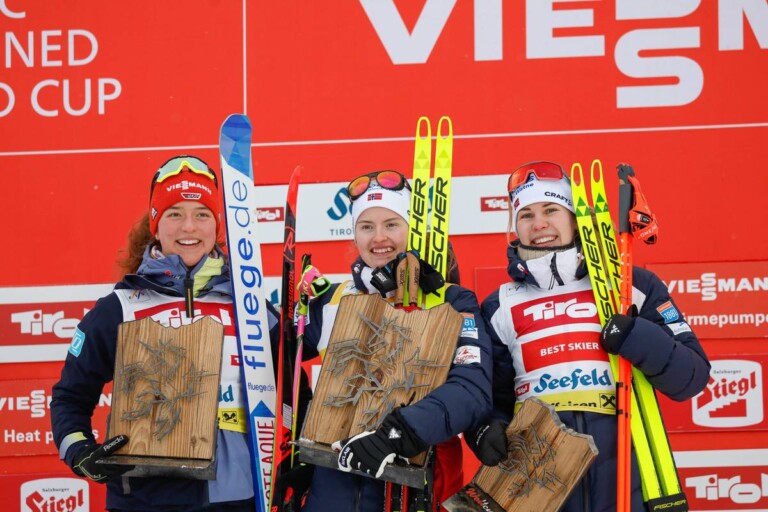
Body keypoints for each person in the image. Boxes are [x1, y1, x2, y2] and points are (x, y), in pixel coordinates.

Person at [467, 161, 711, 511]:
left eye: (551, 209)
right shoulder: (499, 304)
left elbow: (691, 377)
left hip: (629, 481)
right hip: (542, 484)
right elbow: (490, 397)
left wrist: (635, 335)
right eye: (526, 215)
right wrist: (484, 429)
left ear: (573, 216)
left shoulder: (631, 285)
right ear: (515, 227)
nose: (539, 224)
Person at [50, 155, 281, 512]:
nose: (189, 226)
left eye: (201, 214)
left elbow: (293, 391)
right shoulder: (120, 307)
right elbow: (69, 397)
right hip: (144, 497)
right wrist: (80, 451)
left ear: (216, 225)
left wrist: (292, 463)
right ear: (156, 225)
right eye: (174, 213)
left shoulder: (250, 307)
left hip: (240, 496)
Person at [299, 170, 493, 511]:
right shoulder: (330, 301)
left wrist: (403, 432)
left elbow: (472, 388)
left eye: (391, 224)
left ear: (411, 228)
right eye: (366, 226)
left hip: (416, 486)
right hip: (331, 490)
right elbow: (272, 367)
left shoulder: (451, 300)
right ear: (354, 234)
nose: (379, 238)